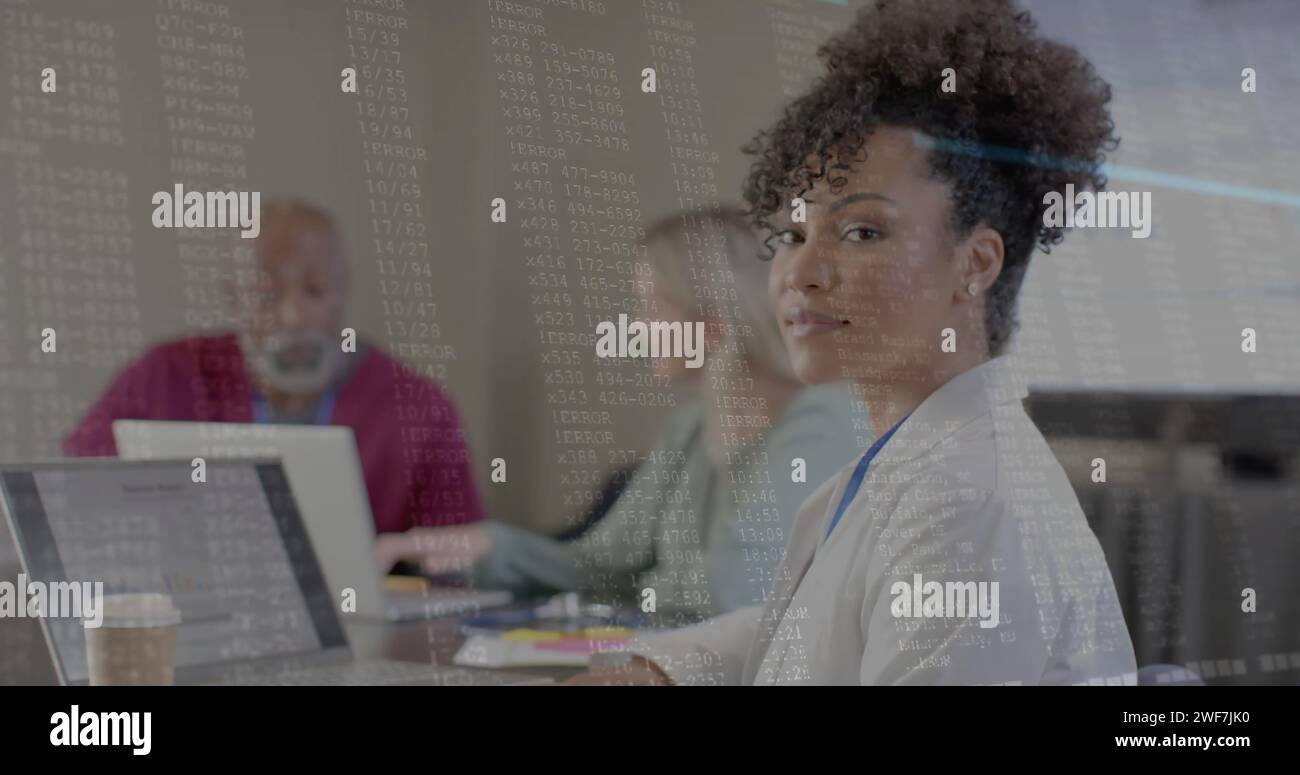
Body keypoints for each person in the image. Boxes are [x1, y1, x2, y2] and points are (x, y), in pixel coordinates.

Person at [572, 0, 1137, 684]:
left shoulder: (967, 503)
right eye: (792, 235)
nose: (800, 274)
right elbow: (816, 630)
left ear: (976, 264)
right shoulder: (903, 461)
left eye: (862, 231)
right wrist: (660, 670)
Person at [374, 208, 868, 620]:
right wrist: (488, 548)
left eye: (652, 308)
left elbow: (736, 590)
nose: (637, 327)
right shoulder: (691, 427)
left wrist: (641, 587)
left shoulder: (820, 420)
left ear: (712, 321)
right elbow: (604, 565)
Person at [63, 199, 485, 535]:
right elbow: (75, 494)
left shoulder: (419, 407)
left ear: (343, 289)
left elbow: (460, 561)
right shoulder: (162, 375)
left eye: (315, 291)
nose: (293, 316)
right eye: (266, 294)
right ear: (234, 298)